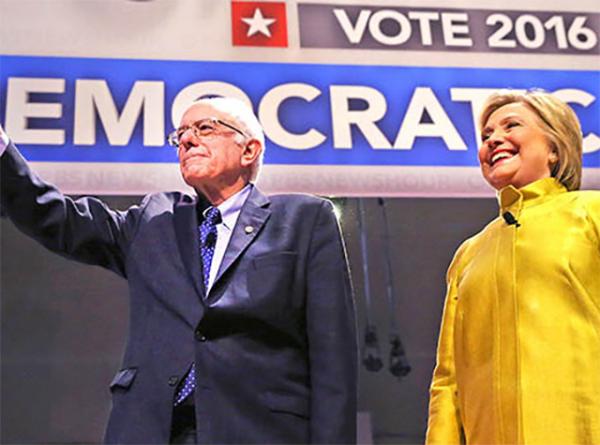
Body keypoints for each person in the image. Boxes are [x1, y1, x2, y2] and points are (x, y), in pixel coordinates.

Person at [0, 96, 357, 444]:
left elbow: (333, 359)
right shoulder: (155, 219)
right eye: (181, 134)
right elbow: (58, 218)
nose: (186, 139)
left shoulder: (304, 220)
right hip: (151, 427)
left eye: (205, 128)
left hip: (258, 429)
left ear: (249, 150)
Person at [425, 90, 600, 444]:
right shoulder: (468, 254)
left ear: (554, 147)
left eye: (511, 125)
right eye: (486, 135)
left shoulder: (590, 212)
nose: (494, 140)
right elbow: (448, 380)